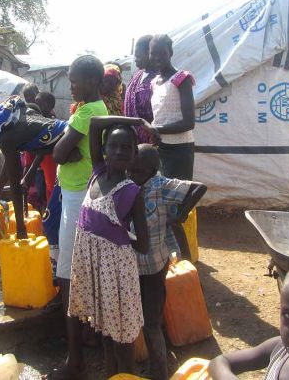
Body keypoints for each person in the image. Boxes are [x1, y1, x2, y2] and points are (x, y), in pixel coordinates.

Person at [66, 116, 153, 378]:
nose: (119, 151)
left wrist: (116, 239)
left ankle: (125, 375)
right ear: (103, 151)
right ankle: (110, 374)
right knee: (105, 331)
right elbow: (94, 124)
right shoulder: (98, 172)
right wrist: (136, 120)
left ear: (134, 153)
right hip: (92, 265)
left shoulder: (131, 192)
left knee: (122, 337)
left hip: (115, 271)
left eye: (127, 147)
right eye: (113, 146)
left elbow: (144, 244)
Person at [49, 55, 109, 379]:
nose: (71, 85)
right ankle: (89, 334)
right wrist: (67, 150)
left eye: (75, 80)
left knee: (67, 275)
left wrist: (64, 151)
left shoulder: (86, 112)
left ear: (92, 82)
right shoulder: (99, 109)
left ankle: (74, 362)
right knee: (86, 268)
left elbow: (58, 152)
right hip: (86, 191)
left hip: (76, 197)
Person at [128, 143, 207, 380]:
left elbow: (199, 187)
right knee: (144, 316)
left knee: (151, 322)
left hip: (154, 267)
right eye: (131, 170)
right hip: (133, 266)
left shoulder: (160, 186)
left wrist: (180, 215)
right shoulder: (129, 185)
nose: (133, 175)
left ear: (152, 170)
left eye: (138, 171)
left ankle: (159, 372)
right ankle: (154, 352)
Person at [0, 95, 68, 238]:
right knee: (54, 222)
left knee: (52, 224)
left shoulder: (7, 136)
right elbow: (10, 162)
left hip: (72, 150)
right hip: (69, 138)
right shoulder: (12, 113)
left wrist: (20, 228)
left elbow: (14, 183)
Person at [149, 34, 196, 180]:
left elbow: (189, 122)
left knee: (179, 196)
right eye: (153, 53)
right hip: (161, 146)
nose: (157, 57)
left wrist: (156, 130)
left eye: (162, 53)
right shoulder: (154, 83)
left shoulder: (182, 79)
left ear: (170, 53)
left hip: (180, 148)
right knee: (164, 193)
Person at [125, 35, 158, 144]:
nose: (135, 60)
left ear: (149, 53)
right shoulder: (137, 76)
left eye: (138, 56)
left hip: (151, 140)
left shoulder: (159, 78)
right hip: (131, 138)